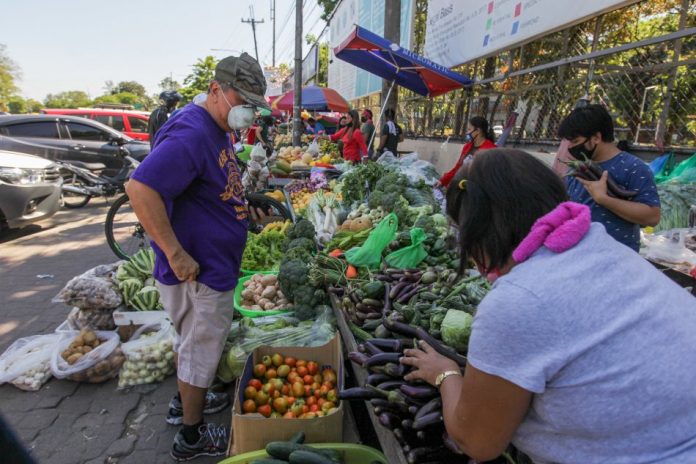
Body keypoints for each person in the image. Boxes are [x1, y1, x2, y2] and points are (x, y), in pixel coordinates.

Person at [400, 148, 696, 463]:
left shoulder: (519, 299)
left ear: (479, 232)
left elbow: (476, 442)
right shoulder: (605, 247)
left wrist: (446, 374)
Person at [125, 52, 268, 461]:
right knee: (200, 350)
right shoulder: (192, 132)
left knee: (189, 343)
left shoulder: (216, 126)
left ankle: (183, 403)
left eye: (254, 106)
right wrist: (175, 253)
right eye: (244, 102)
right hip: (199, 271)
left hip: (209, 265)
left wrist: (243, 201)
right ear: (216, 91)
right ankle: (191, 436)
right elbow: (141, 190)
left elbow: (212, 181)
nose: (249, 113)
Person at [558, 104, 660, 251]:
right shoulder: (577, 168)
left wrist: (604, 200)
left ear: (596, 137)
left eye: (575, 141)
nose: (571, 148)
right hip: (579, 255)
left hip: (617, 258)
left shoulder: (634, 168)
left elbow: (652, 216)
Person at [436, 116, 496, 188]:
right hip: (463, 185)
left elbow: (490, 176)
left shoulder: (491, 149)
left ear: (478, 130)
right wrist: (442, 181)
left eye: (469, 129)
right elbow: (458, 167)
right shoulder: (467, 147)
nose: (467, 132)